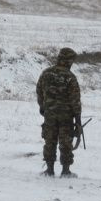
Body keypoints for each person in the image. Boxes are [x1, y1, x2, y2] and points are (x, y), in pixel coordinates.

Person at [36, 48, 82, 178]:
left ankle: (49, 169)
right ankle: (65, 170)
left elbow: (39, 91)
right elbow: (75, 100)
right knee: (65, 142)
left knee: (49, 140)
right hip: (65, 116)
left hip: (49, 114)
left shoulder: (46, 73)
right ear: (68, 60)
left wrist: (42, 106)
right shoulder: (70, 77)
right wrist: (78, 119)